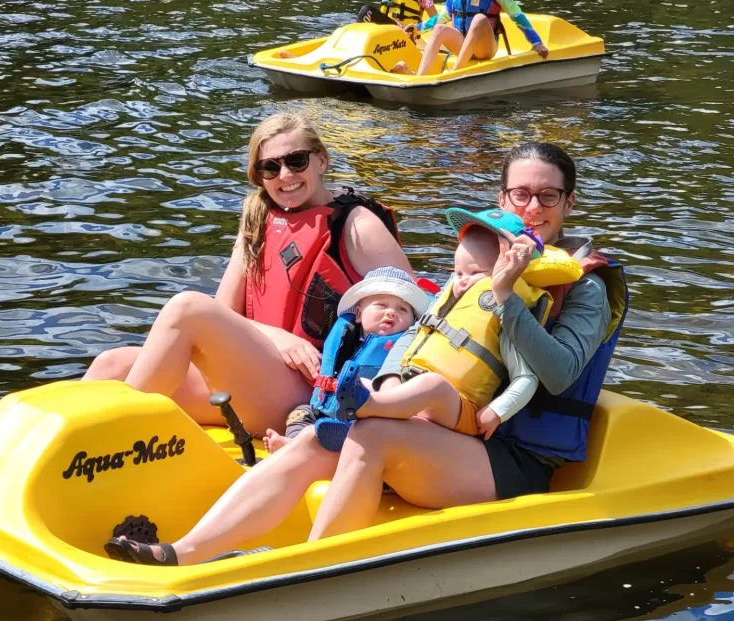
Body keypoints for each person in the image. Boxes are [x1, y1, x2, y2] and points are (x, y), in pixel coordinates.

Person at [103, 142, 627, 567]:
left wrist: (508, 296)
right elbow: (424, 337)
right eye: (521, 194)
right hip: (447, 427)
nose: (532, 208)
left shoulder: (583, 287)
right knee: (322, 435)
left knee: (370, 435)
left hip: (513, 456)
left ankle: (310, 570)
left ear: (569, 203)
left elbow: (559, 374)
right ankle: (185, 552)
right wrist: (394, 383)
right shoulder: (478, 258)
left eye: (548, 196)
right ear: (502, 197)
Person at [82, 112, 413, 436]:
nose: (285, 175)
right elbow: (225, 311)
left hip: (312, 394)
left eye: (296, 161)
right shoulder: (258, 219)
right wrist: (277, 337)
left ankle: (122, 436)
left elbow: (414, 313)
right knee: (112, 364)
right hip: (257, 381)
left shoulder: (357, 226)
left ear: (321, 160)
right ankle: (73, 448)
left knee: (187, 308)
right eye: (270, 167)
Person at [314, 209, 552, 452]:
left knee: (432, 385)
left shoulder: (505, 315)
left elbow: (526, 377)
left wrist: (497, 411)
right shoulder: (446, 305)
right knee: (368, 382)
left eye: (475, 273)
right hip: (418, 393)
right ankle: (347, 426)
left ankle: (364, 411)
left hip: (460, 408)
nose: (462, 281)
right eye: (458, 273)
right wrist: (390, 380)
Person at [263, 266, 430, 453]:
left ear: (412, 322)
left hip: (365, 415)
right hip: (325, 408)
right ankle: (293, 442)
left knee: (364, 428)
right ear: (358, 314)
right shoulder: (345, 337)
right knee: (299, 413)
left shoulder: (406, 349)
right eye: (382, 305)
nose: (391, 312)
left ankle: (311, 446)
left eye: (402, 309)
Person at [393, 0, 548, 76]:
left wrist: (536, 42)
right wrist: (418, 28)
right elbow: (441, 18)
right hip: (462, 47)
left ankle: (454, 72)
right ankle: (419, 79)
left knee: (479, 19)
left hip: (485, 48)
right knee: (439, 29)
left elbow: (517, 16)